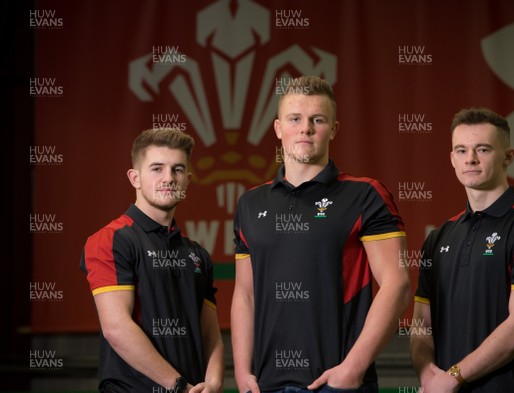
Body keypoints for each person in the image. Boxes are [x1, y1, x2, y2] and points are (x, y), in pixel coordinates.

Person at [231, 75, 411, 393]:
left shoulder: (365, 195)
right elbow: (245, 294)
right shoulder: (250, 203)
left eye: (318, 119)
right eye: (295, 119)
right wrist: (243, 374)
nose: (306, 129)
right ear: (277, 128)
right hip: (265, 385)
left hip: (336, 383)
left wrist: (352, 369)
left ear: (334, 129)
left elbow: (398, 286)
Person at [410, 108, 514, 392]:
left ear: (508, 156)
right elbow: (421, 323)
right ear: (452, 159)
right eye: (462, 150)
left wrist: (452, 377)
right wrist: (427, 374)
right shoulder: (439, 237)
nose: (471, 158)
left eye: (483, 149)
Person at [80, 128, 224, 393]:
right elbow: (116, 328)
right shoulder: (111, 240)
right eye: (156, 168)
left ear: (188, 180)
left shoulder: (198, 255)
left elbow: (210, 334)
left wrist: (214, 383)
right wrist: (178, 385)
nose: (169, 178)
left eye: (178, 170)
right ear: (135, 178)